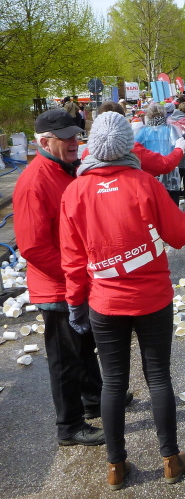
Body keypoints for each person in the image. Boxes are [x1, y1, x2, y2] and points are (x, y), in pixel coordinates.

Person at [59, 111, 185, 490]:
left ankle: (116, 466)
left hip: (104, 303)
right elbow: (179, 235)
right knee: (158, 377)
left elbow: (72, 259)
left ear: (93, 146)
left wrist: (76, 303)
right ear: (128, 145)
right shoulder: (144, 183)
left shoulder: (74, 192)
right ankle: (170, 459)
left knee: (113, 382)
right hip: (152, 299)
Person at [15, 109, 106, 449]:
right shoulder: (34, 181)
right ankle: (69, 426)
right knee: (64, 358)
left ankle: (94, 399)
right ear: (44, 142)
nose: (73, 142)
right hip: (56, 288)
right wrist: (75, 277)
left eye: (76, 135)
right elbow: (33, 247)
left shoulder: (67, 169)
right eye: (65, 138)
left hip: (77, 280)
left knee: (84, 345)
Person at [135, 104, 184, 204]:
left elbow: (134, 148)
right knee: (172, 203)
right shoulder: (171, 129)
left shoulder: (142, 131)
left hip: (149, 171)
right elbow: (178, 146)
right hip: (169, 168)